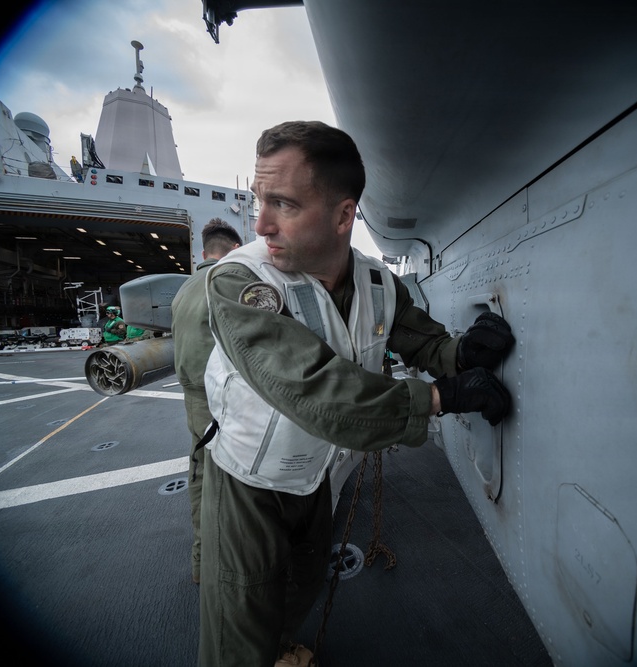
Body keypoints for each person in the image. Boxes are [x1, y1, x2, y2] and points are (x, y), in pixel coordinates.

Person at [198, 120, 514, 667]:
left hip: (317, 476)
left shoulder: (377, 283)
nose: (261, 224)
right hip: (249, 480)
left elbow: (420, 339)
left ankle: (280, 649)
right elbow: (315, 391)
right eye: (259, 201)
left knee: (302, 584)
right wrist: (438, 399)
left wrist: (463, 353)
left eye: (283, 204)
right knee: (240, 619)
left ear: (344, 216)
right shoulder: (239, 282)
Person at [170, 218, 243, 585]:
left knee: (199, 475)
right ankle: (225, 569)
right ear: (235, 250)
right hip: (221, 400)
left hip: (193, 399)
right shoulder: (228, 282)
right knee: (231, 485)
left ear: (203, 253)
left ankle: (200, 562)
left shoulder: (184, 288)